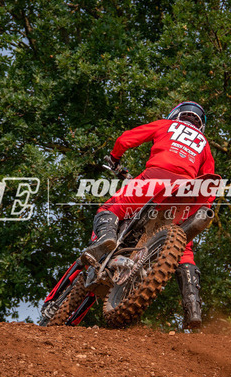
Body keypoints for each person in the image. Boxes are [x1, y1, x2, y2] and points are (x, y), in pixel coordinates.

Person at [81, 101, 216, 328]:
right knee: (184, 247)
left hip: (156, 178)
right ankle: (193, 307)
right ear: (200, 124)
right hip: (188, 193)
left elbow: (126, 139)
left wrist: (114, 158)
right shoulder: (204, 143)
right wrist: (200, 209)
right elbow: (209, 182)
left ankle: (106, 239)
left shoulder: (166, 125)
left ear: (176, 114)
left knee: (110, 208)